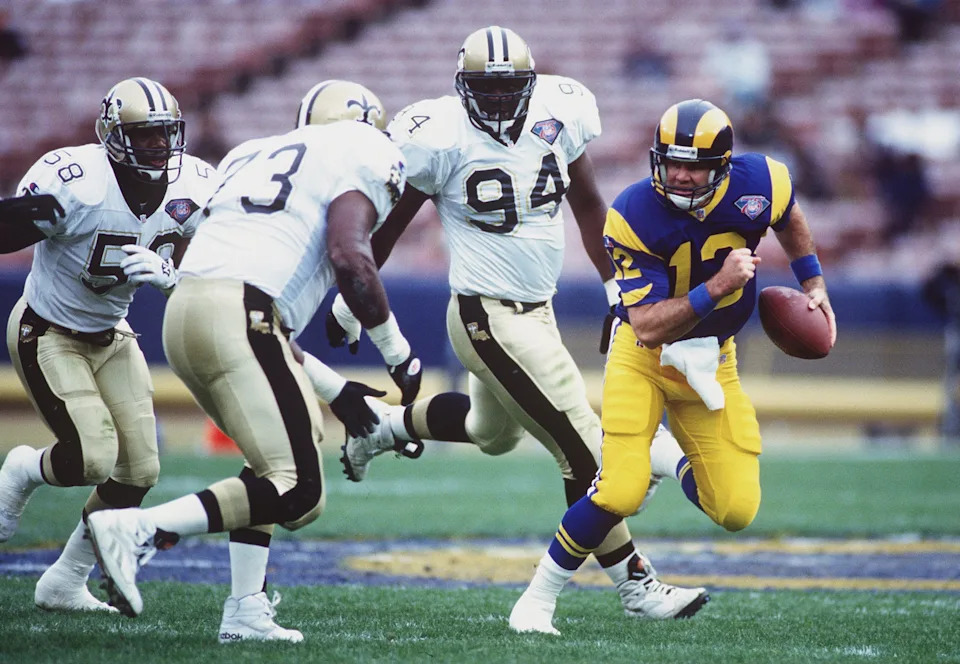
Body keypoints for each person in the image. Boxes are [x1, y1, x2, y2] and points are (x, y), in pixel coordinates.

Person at [327, 25, 708, 622]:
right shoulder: (439, 136)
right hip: (485, 312)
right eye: (486, 88)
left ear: (531, 84)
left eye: (510, 88)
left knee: (492, 432)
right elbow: (393, 225)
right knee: (581, 444)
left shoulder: (563, 110)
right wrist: (352, 302)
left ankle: (386, 425)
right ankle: (636, 584)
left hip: (538, 309)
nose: (500, 100)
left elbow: (588, 204)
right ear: (462, 87)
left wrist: (619, 289)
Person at [85, 80, 422, 644]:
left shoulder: (250, 153)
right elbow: (350, 256)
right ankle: (142, 528)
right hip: (244, 313)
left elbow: (260, 315)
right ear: (366, 124)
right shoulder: (368, 150)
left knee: (270, 466)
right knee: (300, 492)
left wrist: (335, 389)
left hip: (190, 312)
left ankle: (245, 609)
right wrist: (399, 354)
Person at [508, 98, 838, 634]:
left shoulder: (763, 182)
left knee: (735, 510)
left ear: (724, 167)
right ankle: (537, 599)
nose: (681, 176)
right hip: (644, 359)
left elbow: (790, 215)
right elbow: (648, 327)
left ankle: (667, 458)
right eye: (672, 162)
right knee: (619, 490)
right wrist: (719, 286)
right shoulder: (634, 213)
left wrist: (813, 281)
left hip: (713, 359)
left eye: (696, 165)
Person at [0, 78, 217, 612]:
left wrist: (173, 276)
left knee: (140, 471)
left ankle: (64, 581)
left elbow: (221, 266)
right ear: (113, 135)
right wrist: (29, 217)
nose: (158, 147)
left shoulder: (198, 182)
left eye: (165, 135)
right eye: (144, 136)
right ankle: (24, 468)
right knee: (93, 460)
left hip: (114, 334)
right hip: (48, 329)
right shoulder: (74, 178)